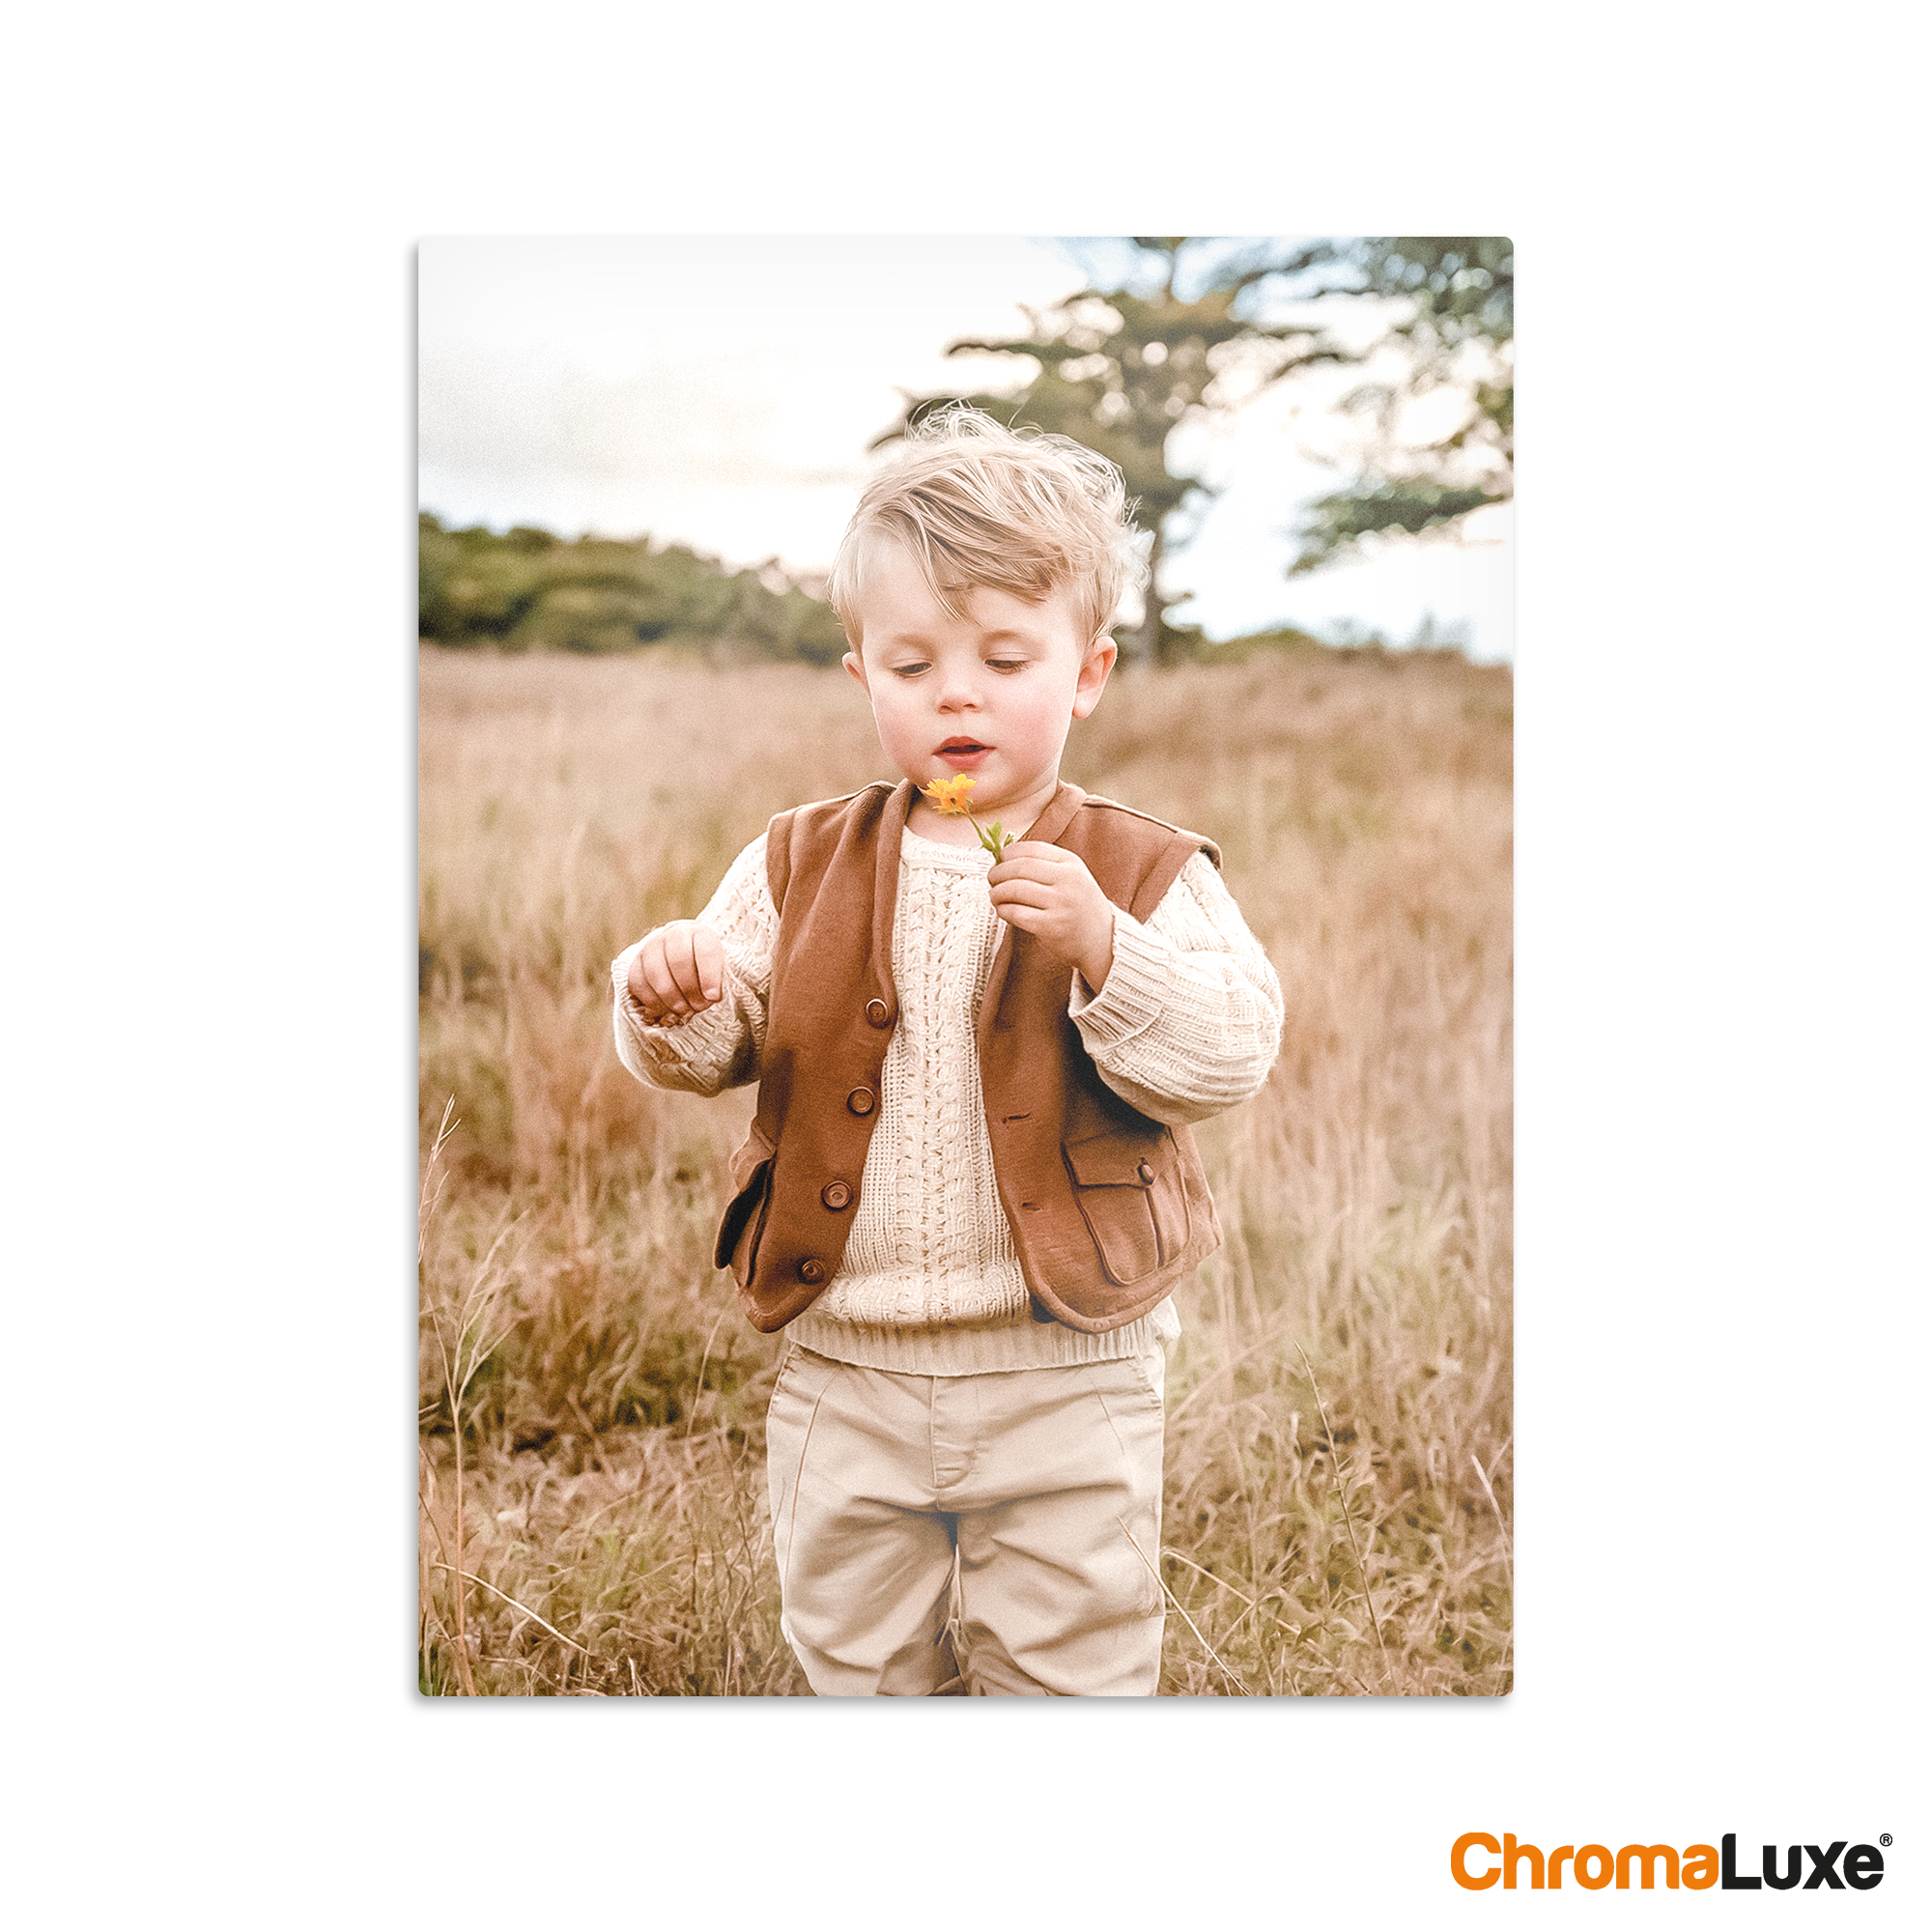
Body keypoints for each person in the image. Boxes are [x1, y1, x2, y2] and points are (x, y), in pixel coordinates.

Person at [611, 407, 1283, 1696]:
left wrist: (1105, 949)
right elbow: (717, 1043)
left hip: (1068, 1374)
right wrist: (672, 996)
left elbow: (1229, 1052)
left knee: (1073, 1665)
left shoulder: (1140, 870)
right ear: (863, 674)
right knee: (854, 1660)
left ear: (1086, 671)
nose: (955, 694)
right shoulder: (799, 858)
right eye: (911, 666)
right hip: (844, 1369)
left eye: (1003, 658)